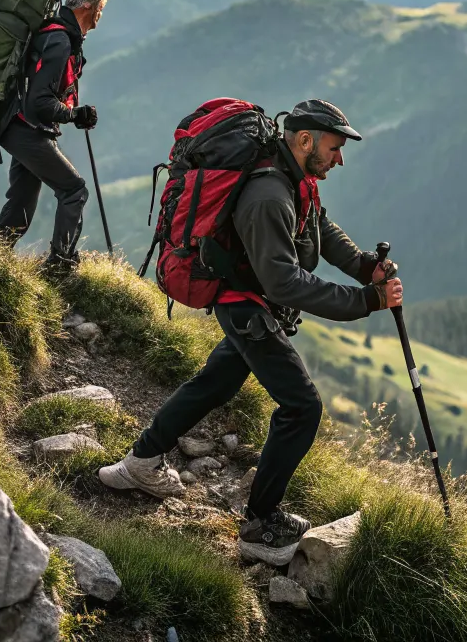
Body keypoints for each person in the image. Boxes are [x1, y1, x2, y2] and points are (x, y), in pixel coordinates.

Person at [99, 99, 403, 565]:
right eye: (335, 147)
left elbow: (317, 224)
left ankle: (140, 464)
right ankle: (259, 525)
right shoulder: (267, 195)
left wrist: (364, 267)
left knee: (214, 383)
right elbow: (285, 282)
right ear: (305, 140)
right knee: (302, 407)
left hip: (251, 301)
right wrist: (367, 302)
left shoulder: (291, 176)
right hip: (245, 305)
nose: (339, 158)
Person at [0, 0, 112, 274]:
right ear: (87, 5)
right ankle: (61, 266)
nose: (101, 13)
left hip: (17, 126)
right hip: (25, 128)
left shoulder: (58, 34)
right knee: (74, 191)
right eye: (101, 6)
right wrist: (74, 115)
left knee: (21, 201)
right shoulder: (59, 40)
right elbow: (40, 102)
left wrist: (72, 113)